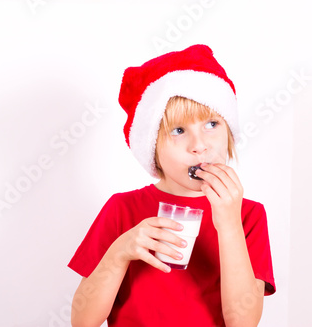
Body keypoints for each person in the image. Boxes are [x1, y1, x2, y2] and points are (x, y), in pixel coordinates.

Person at [68, 44, 276, 327]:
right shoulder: (122, 209)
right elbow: (83, 321)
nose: (199, 145)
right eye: (178, 131)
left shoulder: (248, 216)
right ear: (152, 147)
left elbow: (243, 322)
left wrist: (229, 226)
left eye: (212, 124)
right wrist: (119, 253)